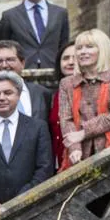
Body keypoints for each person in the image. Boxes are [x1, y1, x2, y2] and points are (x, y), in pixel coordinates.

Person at [0, 71, 55, 211]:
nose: (1, 98)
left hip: (30, 207)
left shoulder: (38, 127)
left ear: (18, 95)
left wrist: (23, 198)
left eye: (8, 93)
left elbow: (45, 168)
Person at [60, 28, 110, 165]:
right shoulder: (67, 83)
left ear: (103, 50)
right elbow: (66, 120)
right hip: (80, 154)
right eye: (79, 48)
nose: (83, 52)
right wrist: (74, 148)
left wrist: (84, 132)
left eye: (89, 47)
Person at [0, 0, 70, 70]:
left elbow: (64, 45)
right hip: (22, 72)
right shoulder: (10, 16)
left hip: (53, 70)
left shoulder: (60, 13)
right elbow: (2, 46)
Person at [48, 41, 79, 169]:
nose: (70, 62)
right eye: (65, 58)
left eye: (75, 58)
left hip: (79, 158)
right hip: (59, 162)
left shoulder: (89, 90)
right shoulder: (54, 95)